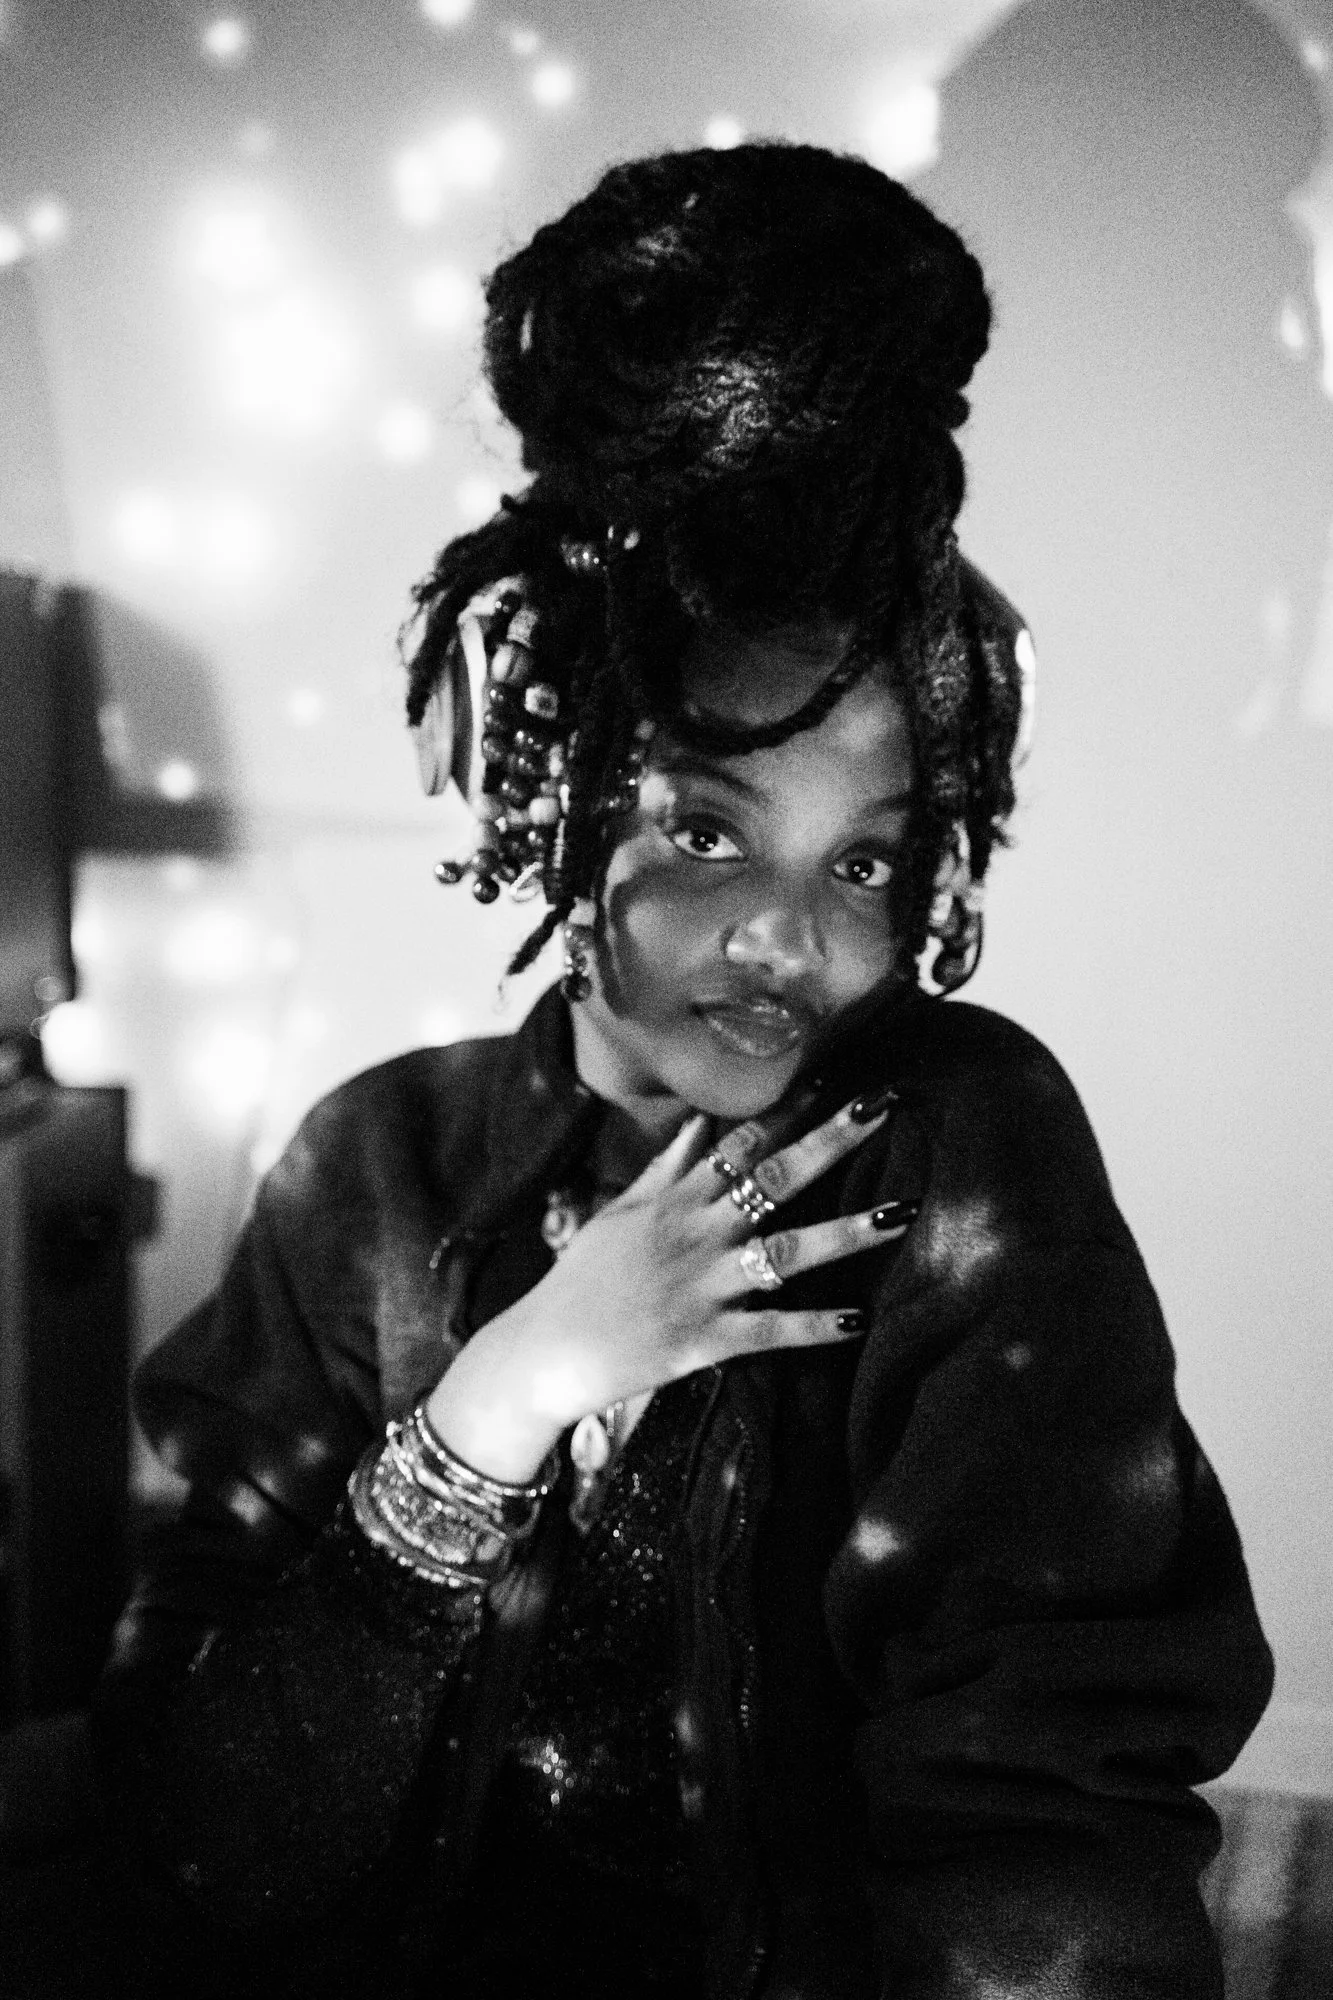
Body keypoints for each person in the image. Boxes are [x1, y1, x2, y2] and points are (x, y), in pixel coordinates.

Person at [93, 142, 1273, 2000]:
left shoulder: (959, 1154)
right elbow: (200, 1847)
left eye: (866, 860)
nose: (791, 945)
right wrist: (503, 1400)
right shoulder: (369, 1171)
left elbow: (1038, 1820)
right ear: (537, 797)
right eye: (712, 839)